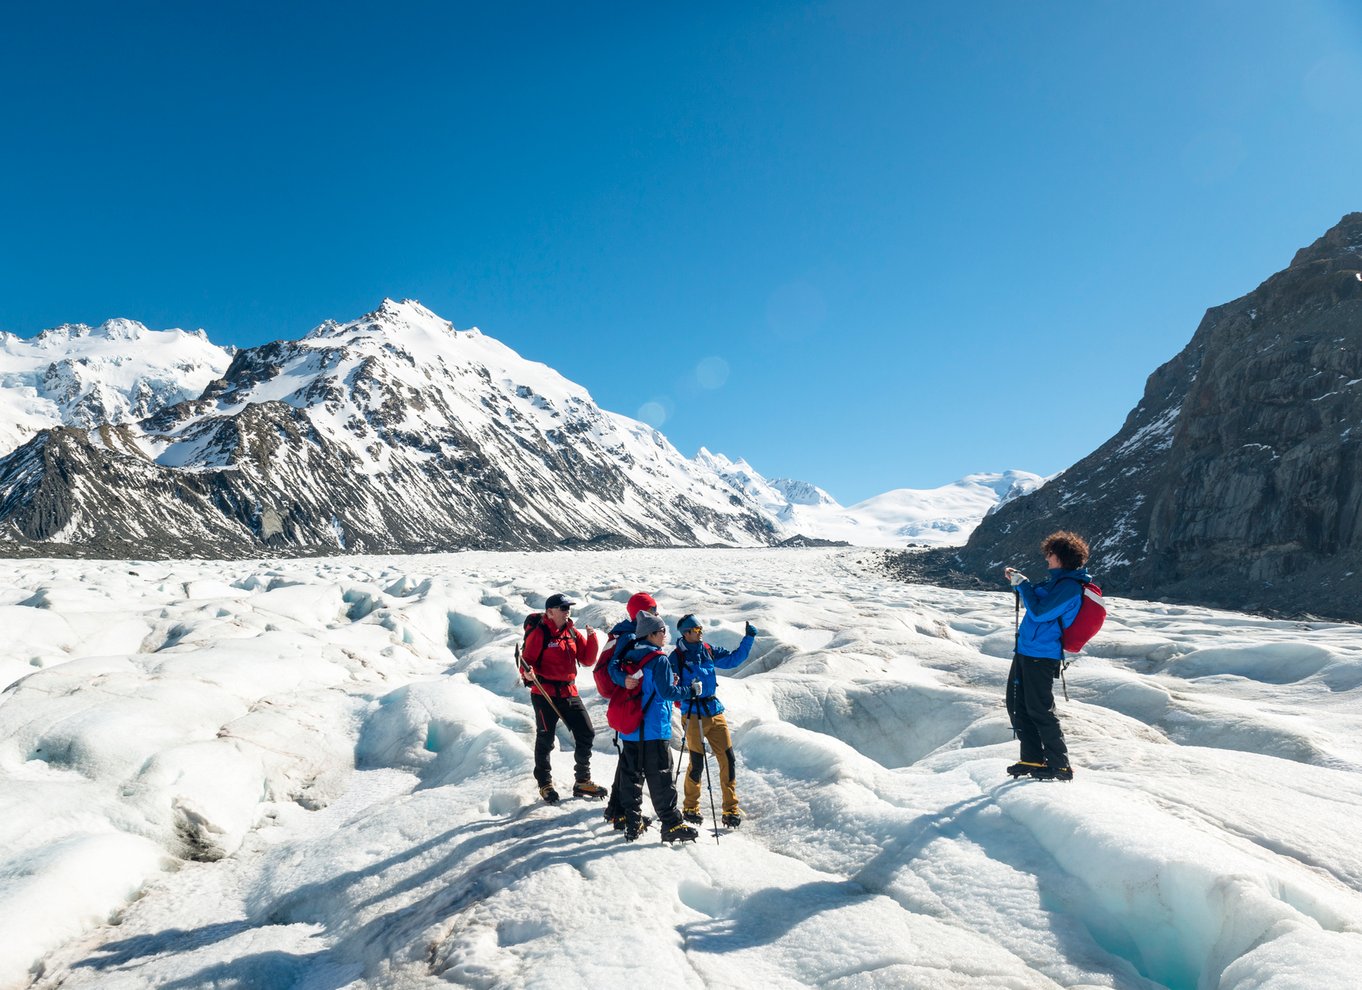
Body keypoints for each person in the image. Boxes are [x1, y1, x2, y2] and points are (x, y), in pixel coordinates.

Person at [1003, 531, 1092, 782]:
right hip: (1026, 650)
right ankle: (1031, 757)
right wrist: (1021, 583)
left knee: (1039, 709)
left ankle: (1059, 764)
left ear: (1061, 557)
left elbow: (1041, 613)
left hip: (1041, 655)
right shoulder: (1055, 583)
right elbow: (1036, 606)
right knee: (1017, 704)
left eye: (1050, 554)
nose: (1047, 559)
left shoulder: (1069, 587)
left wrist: (1023, 585)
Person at [613, 611, 698, 843]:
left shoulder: (629, 654)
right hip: (653, 728)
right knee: (661, 778)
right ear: (651, 634)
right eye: (662, 631)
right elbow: (666, 693)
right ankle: (671, 824)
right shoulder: (659, 659)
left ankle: (632, 822)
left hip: (630, 730)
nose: (665, 634)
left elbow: (641, 683)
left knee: (631, 778)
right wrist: (690, 691)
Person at [671, 614, 756, 828]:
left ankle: (731, 809)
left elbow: (733, 660)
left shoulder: (707, 650)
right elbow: (669, 687)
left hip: (714, 710)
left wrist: (748, 638)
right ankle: (691, 807)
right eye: (697, 630)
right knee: (697, 763)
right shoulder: (677, 657)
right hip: (692, 714)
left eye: (701, 629)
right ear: (686, 633)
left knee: (728, 759)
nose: (701, 633)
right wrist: (687, 694)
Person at [523, 593, 607, 803]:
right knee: (546, 739)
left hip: (569, 692)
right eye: (563, 608)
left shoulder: (570, 631)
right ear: (550, 612)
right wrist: (527, 673)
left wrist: (592, 638)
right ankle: (545, 784)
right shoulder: (540, 633)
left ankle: (582, 781)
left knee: (586, 733)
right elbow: (527, 661)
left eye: (568, 608)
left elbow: (587, 660)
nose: (567, 611)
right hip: (544, 693)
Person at [598, 591, 657, 830]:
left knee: (627, 761)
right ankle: (623, 814)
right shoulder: (631, 634)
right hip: (631, 702)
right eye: (653, 610)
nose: (657, 614)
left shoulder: (628, 631)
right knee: (632, 763)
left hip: (630, 700)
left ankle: (615, 810)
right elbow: (615, 667)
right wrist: (625, 681)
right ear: (643, 612)